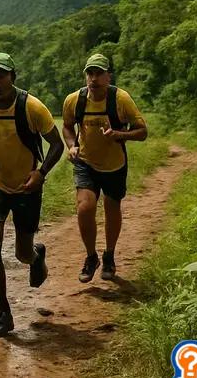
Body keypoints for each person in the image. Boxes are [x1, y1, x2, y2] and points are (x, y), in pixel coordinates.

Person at [0, 52, 64, 338]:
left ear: (13, 77)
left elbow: (57, 145)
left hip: (26, 186)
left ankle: (36, 256)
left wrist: (41, 174)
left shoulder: (32, 107)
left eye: (1, 76)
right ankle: (4, 313)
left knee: (22, 253)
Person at [61, 53, 147, 283]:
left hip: (114, 164)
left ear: (108, 76)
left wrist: (119, 134)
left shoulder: (120, 99)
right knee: (85, 208)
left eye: (99, 73)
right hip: (85, 162)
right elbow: (68, 127)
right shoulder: (74, 100)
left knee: (111, 207)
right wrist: (71, 146)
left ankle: (109, 255)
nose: (94, 78)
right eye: (90, 73)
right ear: (85, 76)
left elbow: (142, 131)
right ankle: (91, 257)